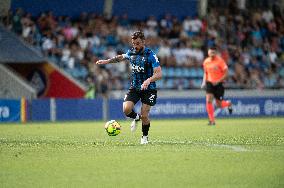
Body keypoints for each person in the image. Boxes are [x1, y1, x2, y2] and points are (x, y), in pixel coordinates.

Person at [96, 31, 162, 144]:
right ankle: (136, 117)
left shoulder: (151, 55)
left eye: (138, 43)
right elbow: (120, 57)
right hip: (135, 87)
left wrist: (148, 80)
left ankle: (144, 137)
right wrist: (107, 61)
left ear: (143, 42)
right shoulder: (131, 52)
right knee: (126, 110)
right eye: (133, 43)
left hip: (149, 88)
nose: (135, 46)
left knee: (145, 115)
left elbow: (159, 74)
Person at [201, 46, 233, 125]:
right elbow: (206, 72)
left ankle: (228, 104)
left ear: (215, 53)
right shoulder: (206, 62)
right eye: (210, 52)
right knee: (208, 100)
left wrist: (218, 81)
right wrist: (203, 82)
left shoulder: (220, 61)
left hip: (219, 84)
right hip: (209, 83)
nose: (212, 54)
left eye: (213, 52)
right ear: (208, 52)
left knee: (219, 105)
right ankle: (212, 120)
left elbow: (226, 73)